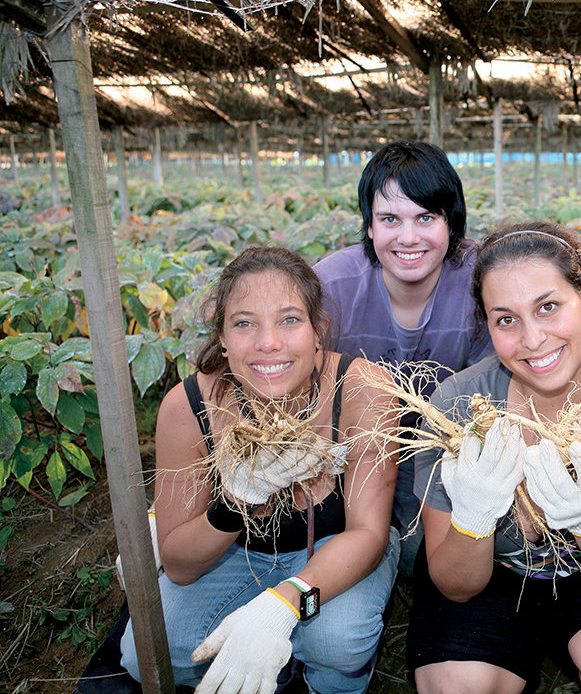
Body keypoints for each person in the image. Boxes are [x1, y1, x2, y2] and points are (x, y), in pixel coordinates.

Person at [407, 221, 581, 694]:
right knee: (459, 684)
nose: (533, 338)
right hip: (492, 570)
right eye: (506, 320)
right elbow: (456, 585)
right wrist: (475, 515)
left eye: (548, 307)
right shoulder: (458, 404)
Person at [120, 246, 399, 694]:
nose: (268, 342)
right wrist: (234, 505)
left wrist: (284, 606)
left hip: (338, 547)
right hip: (238, 555)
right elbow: (178, 565)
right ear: (223, 337)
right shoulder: (189, 407)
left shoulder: (364, 389)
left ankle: (328, 679)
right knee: (146, 651)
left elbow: (368, 534)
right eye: (245, 323)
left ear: (317, 331)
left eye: (289, 320)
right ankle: (269, 660)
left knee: (338, 642)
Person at [315, 140, 492, 576]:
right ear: (370, 226)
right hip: (354, 450)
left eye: (425, 218)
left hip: (446, 448)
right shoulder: (330, 286)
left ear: (451, 222)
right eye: (389, 219)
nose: (408, 238)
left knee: (420, 562)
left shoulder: (483, 278)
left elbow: (503, 390)